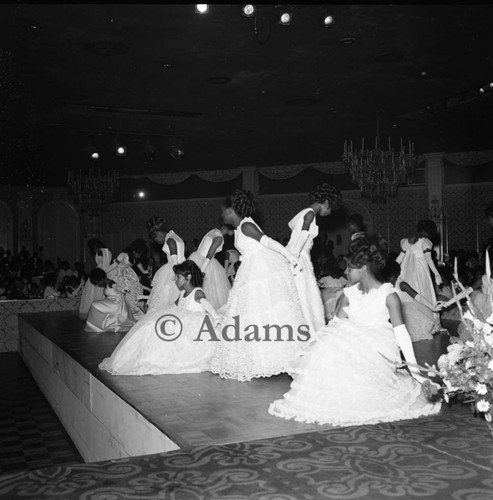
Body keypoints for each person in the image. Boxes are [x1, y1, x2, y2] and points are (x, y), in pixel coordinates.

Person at [269, 234, 441, 427]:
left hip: (378, 346)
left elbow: (402, 336)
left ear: (364, 268)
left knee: (355, 355)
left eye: (350, 268)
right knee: (333, 347)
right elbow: (336, 324)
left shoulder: (388, 296)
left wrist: (416, 373)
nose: (346, 271)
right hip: (353, 340)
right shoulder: (349, 293)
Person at [208, 189, 308, 382]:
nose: (221, 214)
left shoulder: (245, 226)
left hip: (260, 271)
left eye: (224, 210)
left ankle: (276, 359)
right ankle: (259, 360)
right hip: (251, 269)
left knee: (262, 312)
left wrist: (289, 256)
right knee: (252, 314)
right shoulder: (240, 227)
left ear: (231, 211)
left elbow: (268, 242)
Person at [98, 260, 221, 375]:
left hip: (192, 324)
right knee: (150, 324)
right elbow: (173, 305)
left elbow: (207, 305)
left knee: (161, 331)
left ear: (188, 278)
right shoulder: (183, 293)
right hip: (180, 318)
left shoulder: (197, 292)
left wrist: (216, 318)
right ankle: (137, 357)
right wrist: (146, 300)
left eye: (178, 277)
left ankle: (151, 358)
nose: (175, 279)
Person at [286, 183, 342, 332]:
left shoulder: (305, 213)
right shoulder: (310, 214)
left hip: (296, 257)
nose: (329, 213)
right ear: (327, 202)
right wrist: (293, 263)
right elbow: (299, 241)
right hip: (299, 259)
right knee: (305, 300)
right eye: (330, 209)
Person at [395, 219, 442, 331]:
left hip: (406, 271)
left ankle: (408, 323)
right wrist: (436, 273)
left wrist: (392, 270)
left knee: (408, 294)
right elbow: (428, 259)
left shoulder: (406, 241)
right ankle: (426, 324)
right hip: (420, 272)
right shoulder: (426, 242)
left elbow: (399, 259)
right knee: (422, 292)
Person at [383, 259, 442, 341]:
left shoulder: (402, 284)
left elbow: (417, 296)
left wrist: (432, 307)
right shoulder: (385, 284)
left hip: (408, 308)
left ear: (394, 274)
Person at [145, 216, 185, 312]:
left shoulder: (170, 240)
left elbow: (175, 263)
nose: (158, 242)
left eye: (156, 239)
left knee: (165, 300)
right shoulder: (175, 237)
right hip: (181, 268)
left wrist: (178, 278)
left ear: (158, 234)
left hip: (174, 271)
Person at [188, 227, 231, 309]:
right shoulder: (219, 237)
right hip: (206, 262)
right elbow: (210, 254)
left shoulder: (213, 231)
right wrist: (201, 270)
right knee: (210, 288)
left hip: (196, 258)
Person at [84, 268, 135, 333]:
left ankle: (97, 327)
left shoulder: (111, 283)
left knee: (94, 305)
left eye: (97, 283)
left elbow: (118, 288)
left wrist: (123, 289)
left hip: (116, 304)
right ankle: (101, 325)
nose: (98, 285)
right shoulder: (107, 284)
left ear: (101, 279)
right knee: (95, 305)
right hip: (111, 302)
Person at [106, 252, 144, 320]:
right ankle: (123, 314)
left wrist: (144, 271)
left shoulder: (134, 257)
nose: (138, 255)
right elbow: (114, 265)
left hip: (128, 273)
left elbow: (138, 264)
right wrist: (104, 272)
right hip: (118, 273)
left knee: (132, 291)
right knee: (121, 291)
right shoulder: (123, 255)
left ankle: (132, 313)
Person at [79, 239, 112, 320]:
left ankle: (95, 313)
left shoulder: (100, 251)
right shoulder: (108, 251)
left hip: (99, 274)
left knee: (94, 295)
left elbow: (102, 265)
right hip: (106, 273)